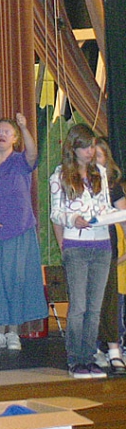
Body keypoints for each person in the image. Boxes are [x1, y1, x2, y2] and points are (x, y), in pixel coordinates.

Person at [0, 113, 48, 352]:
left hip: (18, 231)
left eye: (8, 132)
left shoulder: (21, 161)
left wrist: (25, 127)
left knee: (16, 281)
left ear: (15, 138)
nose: (2, 135)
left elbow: (33, 154)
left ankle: (14, 332)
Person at [49, 124, 115, 379]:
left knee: (95, 306)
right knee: (78, 306)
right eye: (86, 147)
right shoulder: (60, 175)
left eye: (92, 145)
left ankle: (89, 356)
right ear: (74, 148)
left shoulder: (99, 172)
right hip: (76, 245)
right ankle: (76, 359)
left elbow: (105, 206)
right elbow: (56, 212)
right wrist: (73, 218)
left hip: (101, 245)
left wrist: (113, 215)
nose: (91, 151)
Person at [94, 137, 126, 374]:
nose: (95, 161)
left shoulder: (113, 186)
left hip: (109, 249)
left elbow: (124, 216)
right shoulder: (80, 182)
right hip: (86, 249)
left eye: (100, 156)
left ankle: (114, 348)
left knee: (110, 303)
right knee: (89, 303)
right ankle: (94, 348)